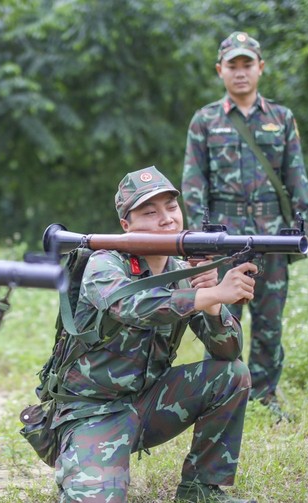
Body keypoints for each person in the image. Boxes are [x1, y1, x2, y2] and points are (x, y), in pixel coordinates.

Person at [51, 166, 258, 502]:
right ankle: (77, 461)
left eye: (172, 208)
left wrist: (213, 306)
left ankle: (199, 490)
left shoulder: (182, 271)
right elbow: (132, 306)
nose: (167, 220)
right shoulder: (105, 263)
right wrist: (213, 294)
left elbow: (228, 352)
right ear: (126, 225)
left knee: (232, 375)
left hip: (148, 403)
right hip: (94, 412)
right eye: (150, 212)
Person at [181, 31, 308, 419]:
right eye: (232, 66)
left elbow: (297, 179)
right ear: (220, 70)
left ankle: (266, 395)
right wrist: (200, 241)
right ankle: (221, 391)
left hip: (272, 234)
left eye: (247, 65)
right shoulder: (205, 120)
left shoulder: (281, 118)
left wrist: (300, 232)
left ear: (260, 68)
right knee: (222, 315)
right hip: (224, 234)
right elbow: (193, 181)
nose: (240, 73)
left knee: (270, 318)